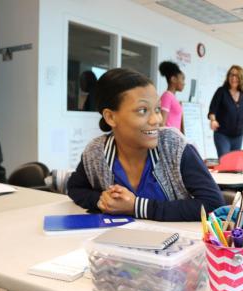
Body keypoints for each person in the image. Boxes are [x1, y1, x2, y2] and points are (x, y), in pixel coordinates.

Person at [67, 68, 224, 221]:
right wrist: (102, 199)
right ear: (110, 117)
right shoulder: (96, 152)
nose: (157, 119)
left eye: (156, 109)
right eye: (142, 110)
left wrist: (137, 206)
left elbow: (213, 204)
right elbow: (74, 188)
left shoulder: (173, 145)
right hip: (116, 243)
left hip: (173, 243)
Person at [207, 65, 243, 158]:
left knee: (234, 164)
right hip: (222, 135)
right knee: (225, 161)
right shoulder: (221, 92)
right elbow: (212, 110)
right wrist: (213, 120)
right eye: (231, 75)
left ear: (241, 78)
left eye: (236, 76)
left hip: (238, 136)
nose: (233, 78)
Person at [159, 61, 185, 132]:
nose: (184, 83)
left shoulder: (172, 97)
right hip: (169, 141)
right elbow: (161, 124)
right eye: (182, 79)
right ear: (173, 79)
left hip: (175, 140)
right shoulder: (167, 96)